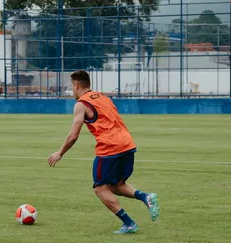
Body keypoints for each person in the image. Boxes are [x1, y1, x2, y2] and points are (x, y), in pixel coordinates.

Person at [48, 70, 160, 234]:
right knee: (116, 185)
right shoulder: (102, 97)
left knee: (100, 189)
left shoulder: (81, 104)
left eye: (71, 86)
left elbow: (73, 135)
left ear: (76, 85)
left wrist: (60, 152)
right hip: (127, 144)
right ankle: (146, 197)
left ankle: (129, 223)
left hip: (110, 147)